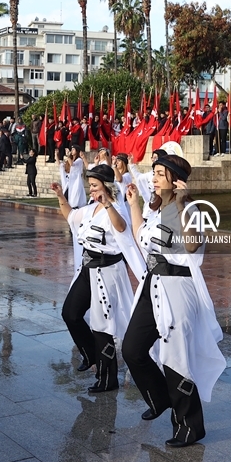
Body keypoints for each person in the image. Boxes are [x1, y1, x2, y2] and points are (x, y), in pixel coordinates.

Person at [122, 155, 226, 448]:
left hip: (178, 289)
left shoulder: (190, 209)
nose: (153, 178)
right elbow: (141, 237)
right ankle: (159, 399)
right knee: (132, 348)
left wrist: (181, 202)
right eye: (153, 173)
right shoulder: (157, 212)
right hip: (151, 285)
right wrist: (134, 207)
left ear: (175, 179)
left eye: (159, 174)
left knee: (175, 358)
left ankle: (190, 426)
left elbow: (192, 245)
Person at [50, 164, 134, 393]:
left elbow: (122, 226)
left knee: (102, 326)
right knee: (70, 312)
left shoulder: (114, 209)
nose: (92, 190)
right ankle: (90, 355)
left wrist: (107, 204)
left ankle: (108, 379)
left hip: (107, 271)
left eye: (96, 186)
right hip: (88, 269)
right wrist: (60, 196)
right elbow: (70, 216)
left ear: (106, 187)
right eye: (91, 186)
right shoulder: (90, 209)